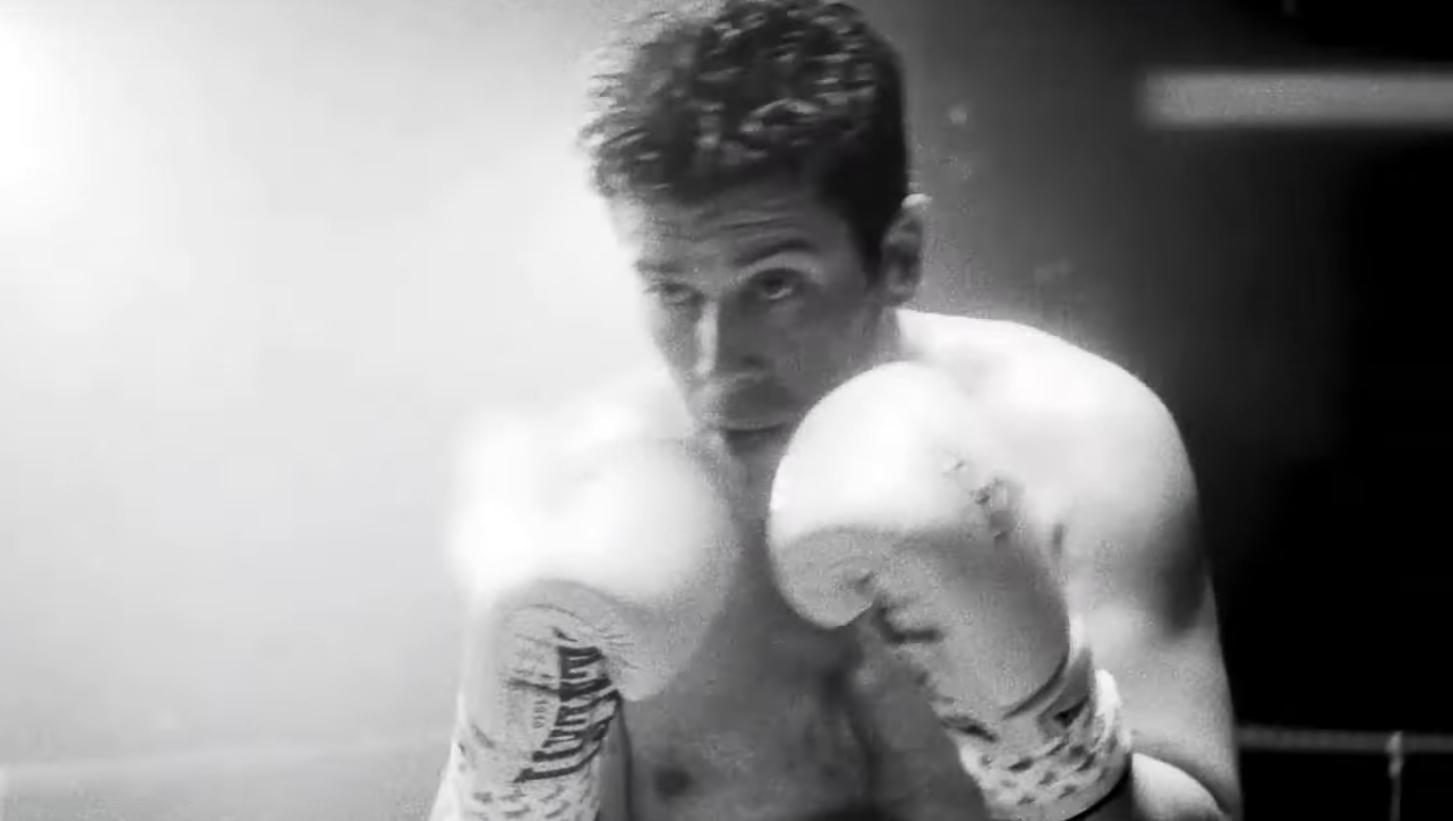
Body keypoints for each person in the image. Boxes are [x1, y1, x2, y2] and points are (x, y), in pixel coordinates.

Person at [426, 2, 1243, 820]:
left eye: (774, 284)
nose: (717, 357)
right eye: (671, 290)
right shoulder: (581, 493)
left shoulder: (1080, 440)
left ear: (899, 255)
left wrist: (1053, 748)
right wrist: (514, 787)